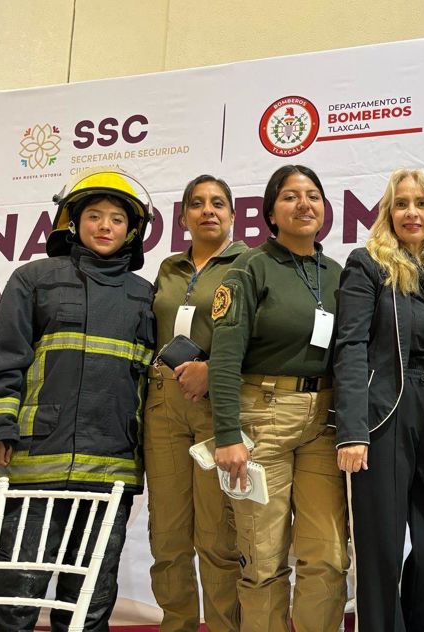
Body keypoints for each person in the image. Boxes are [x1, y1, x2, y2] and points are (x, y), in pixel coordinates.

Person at [0, 167, 155, 631]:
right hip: (36, 461)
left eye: (116, 220)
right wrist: (2, 427)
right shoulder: (33, 279)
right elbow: (6, 360)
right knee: (14, 595)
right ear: (72, 221)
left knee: (89, 600)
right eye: (94, 216)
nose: (105, 226)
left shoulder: (146, 296)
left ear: (133, 232)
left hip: (112, 466)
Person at [208, 165, 348, 632]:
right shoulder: (250, 267)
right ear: (271, 212)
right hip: (261, 419)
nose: (304, 204)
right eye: (290, 197)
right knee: (263, 558)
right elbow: (224, 359)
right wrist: (228, 434)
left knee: (327, 556)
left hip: (323, 421)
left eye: (313, 195)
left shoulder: (337, 273)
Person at [334, 168, 424, 631]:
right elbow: (349, 346)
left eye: (421, 203)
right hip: (386, 411)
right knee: (382, 551)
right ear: (388, 213)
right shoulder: (367, 264)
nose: (412, 212)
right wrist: (352, 430)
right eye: (402, 203)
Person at [144, 174, 247, 631]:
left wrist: (215, 369)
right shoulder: (168, 268)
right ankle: (177, 625)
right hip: (163, 404)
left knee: (218, 534)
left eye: (218, 203)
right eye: (198, 204)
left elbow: (263, 335)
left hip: (217, 402)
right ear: (183, 216)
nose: (209, 210)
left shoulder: (250, 263)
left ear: (232, 214)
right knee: (167, 535)